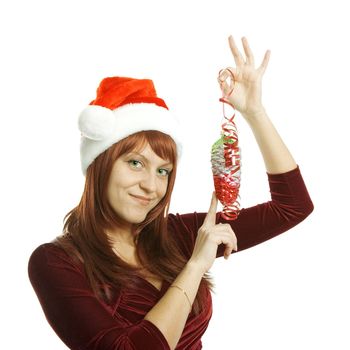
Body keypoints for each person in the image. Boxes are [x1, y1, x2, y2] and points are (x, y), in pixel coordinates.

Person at [28, 35, 314, 350]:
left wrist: (254, 113)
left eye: (163, 170)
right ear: (100, 165)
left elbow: (292, 207)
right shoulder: (57, 263)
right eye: (135, 163)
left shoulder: (176, 235)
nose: (152, 185)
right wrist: (194, 267)